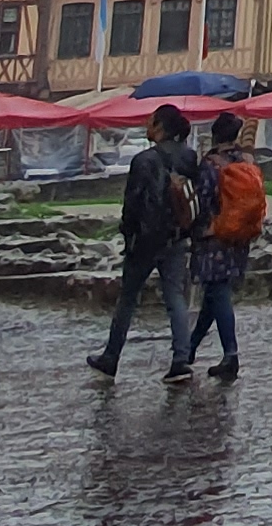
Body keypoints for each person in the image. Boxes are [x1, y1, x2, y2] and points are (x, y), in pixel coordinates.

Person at [88, 107, 205, 380]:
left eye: (150, 122)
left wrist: (128, 233)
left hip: (145, 240)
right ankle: (181, 358)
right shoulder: (188, 157)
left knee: (128, 300)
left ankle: (111, 357)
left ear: (160, 126)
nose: (146, 126)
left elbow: (133, 203)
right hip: (176, 236)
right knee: (175, 298)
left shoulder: (143, 160)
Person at [183, 111, 267, 379]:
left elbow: (202, 199)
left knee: (218, 292)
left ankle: (231, 354)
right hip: (240, 236)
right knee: (213, 293)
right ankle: (190, 348)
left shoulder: (211, 164)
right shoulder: (247, 161)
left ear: (215, 135)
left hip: (214, 236)